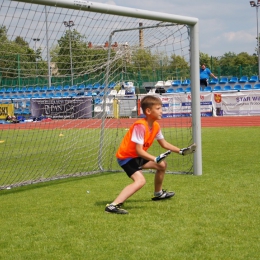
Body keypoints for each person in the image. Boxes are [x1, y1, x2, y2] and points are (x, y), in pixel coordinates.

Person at [105, 95, 196, 214]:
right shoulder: (140, 126)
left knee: (162, 165)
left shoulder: (156, 126)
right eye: (158, 109)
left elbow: (163, 143)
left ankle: (158, 194)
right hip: (126, 158)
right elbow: (139, 151)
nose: (161, 111)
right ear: (148, 111)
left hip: (137, 156)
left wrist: (181, 151)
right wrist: (155, 158)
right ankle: (112, 206)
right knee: (140, 181)